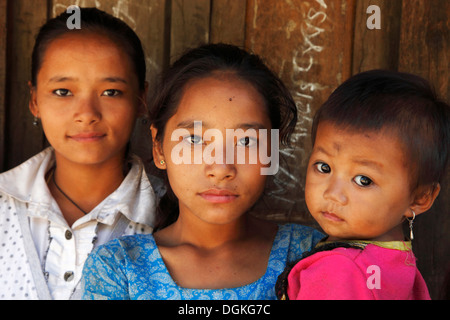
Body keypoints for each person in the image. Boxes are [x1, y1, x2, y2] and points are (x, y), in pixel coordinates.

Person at [81, 43, 324, 300]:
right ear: (159, 148)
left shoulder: (310, 256)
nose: (220, 168)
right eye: (195, 140)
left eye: (246, 141)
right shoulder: (118, 268)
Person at [0, 7, 158, 300]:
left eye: (110, 91)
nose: (86, 115)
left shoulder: (171, 217)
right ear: (34, 100)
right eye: (63, 91)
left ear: (141, 99)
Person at [275, 70, 449, 300]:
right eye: (324, 167)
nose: (333, 194)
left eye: (363, 180)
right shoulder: (398, 262)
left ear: (419, 198)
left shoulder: (339, 270)